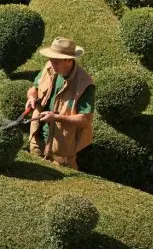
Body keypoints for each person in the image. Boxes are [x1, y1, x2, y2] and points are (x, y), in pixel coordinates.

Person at [25, 37, 95, 170]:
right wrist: (32, 97)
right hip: (37, 138)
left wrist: (56, 117)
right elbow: (33, 88)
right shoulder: (49, 67)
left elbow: (86, 120)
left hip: (62, 149)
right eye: (50, 59)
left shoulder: (84, 84)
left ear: (69, 60)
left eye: (56, 61)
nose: (51, 63)